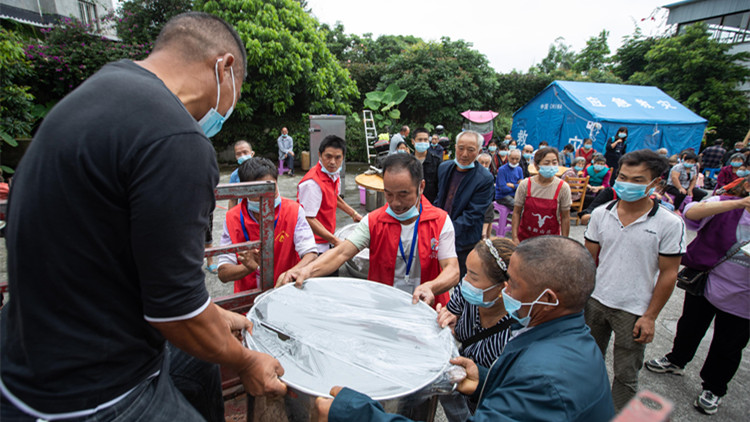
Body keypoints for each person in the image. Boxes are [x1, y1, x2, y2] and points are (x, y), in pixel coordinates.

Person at [0, 12, 286, 422]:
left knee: (199, 360)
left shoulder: (100, 89)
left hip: (26, 350)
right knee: (217, 352)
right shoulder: (177, 138)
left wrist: (212, 314)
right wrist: (245, 362)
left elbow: (126, 256)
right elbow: (177, 312)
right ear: (223, 67)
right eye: (236, 88)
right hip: (89, 392)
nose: (229, 107)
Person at [316, 236, 615, 422]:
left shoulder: (546, 379)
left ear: (548, 299)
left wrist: (358, 414)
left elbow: (534, 392)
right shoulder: (568, 338)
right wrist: (485, 382)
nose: (505, 289)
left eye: (511, 283)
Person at [282, 153, 459, 308]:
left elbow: (452, 270)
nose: (395, 203)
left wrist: (431, 287)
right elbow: (341, 253)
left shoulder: (440, 221)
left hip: (427, 308)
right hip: (383, 306)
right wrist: (307, 271)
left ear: (421, 187)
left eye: (403, 194)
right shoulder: (374, 221)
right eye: (389, 194)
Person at [583, 149, 686, 411]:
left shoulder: (669, 224)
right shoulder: (601, 214)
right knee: (587, 362)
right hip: (595, 301)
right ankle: (587, 407)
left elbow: (669, 273)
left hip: (634, 310)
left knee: (626, 373)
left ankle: (618, 413)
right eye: (623, 177)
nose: (627, 184)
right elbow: (586, 259)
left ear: (656, 184)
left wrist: (650, 316)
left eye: (638, 180)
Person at [644, 175, 750, 416]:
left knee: (729, 344)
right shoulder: (725, 205)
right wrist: (738, 203)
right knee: (690, 325)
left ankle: (714, 387)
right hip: (708, 281)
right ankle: (676, 360)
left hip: (744, 296)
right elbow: (690, 212)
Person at [435, 238, 515, 421]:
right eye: (467, 272)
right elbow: (451, 313)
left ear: (503, 289)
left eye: (473, 276)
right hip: (458, 391)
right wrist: (446, 318)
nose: (465, 281)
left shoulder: (514, 333)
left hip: (488, 408)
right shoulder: (469, 294)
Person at [217, 157, 317, 292]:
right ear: (245, 191)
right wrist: (247, 267)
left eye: (271, 189)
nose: (266, 198)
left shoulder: (293, 211)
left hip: (285, 292)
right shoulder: (232, 218)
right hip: (247, 301)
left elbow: (310, 253)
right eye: (258, 192)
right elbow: (223, 273)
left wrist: (291, 273)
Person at [435, 131, 494, 278]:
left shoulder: (484, 178)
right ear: (455, 148)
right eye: (461, 148)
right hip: (438, 234)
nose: (464, 154)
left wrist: (445, 233)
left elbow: (473, 214)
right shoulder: (444, 168)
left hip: (463, 240)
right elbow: (439, 199)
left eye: (471, 150)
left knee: (459, 280)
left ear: (479, 152)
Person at [298, 135, 362, 256]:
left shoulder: (333, 174)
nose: (333, 162)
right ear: (320, 155)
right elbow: (308, 218)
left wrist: (354, 214)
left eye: (338, 157)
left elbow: (334, 197)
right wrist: (336, 241)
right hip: (313, 244)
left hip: (327, 237)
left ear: (343, 158)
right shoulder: (312, 183)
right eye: (328, 156)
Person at [511, 147, 572, 244]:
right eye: (547, 163)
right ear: (536, 165)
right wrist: (514, 237)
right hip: (525, 238)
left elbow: (565, 217)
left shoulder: (563, 188)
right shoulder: (526, 185)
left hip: (550, 240)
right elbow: (516, 212)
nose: (551, 166)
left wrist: (564, 242)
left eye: (554, 162)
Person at [412, 128, 441, 203]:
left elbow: (440, 186)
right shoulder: (407, 161)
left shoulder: (436, 161)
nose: (423, 142)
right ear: (413, 141)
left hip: (430, 203)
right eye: (420, 140)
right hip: (411, 203)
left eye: (425, 140)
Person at [227, 140, 254, 209]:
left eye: (245, 152)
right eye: (238, 154)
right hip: (243, 212)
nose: (242, 156)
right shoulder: (235, 175)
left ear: (252, 154)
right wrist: (231, 217)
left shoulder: (262, 171)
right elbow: (232, 199)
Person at [477, 154, 495, 239]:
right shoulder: (473, 174)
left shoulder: (490, 176)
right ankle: (484, 234)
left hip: (486, 202)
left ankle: (486, 234)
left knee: (490, 206)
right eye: (482, 163)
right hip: (475, 202)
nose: (484, 165)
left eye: (486, 163)